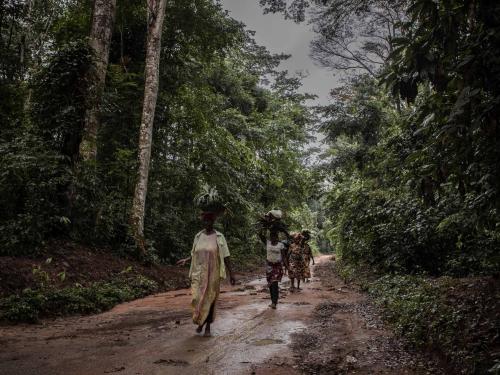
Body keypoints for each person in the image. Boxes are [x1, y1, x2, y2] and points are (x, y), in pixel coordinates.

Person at [177, 211, 236, 337]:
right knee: (197, 298)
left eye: (209, 221)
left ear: (213, 222)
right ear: (203, 222)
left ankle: (207, 326)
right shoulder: (198, 236)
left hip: (213, 274)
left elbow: (226, 256)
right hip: (199, 274)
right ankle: (201, 322)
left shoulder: (219, 237)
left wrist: (232, 274)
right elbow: (194, 253)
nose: (207, 223)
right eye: (205, 221)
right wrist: (186, 260)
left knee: (210, 298)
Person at [259, 228, 289, 309]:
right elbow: (260, 235)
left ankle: (274, 302)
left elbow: (284, 257)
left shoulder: (281, 245)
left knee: (275, 283)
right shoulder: (267, 243)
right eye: (271, 236)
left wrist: (287, 267)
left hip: (277, 266)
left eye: (274, 236)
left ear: (277, 237)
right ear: (270, 237)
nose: (273, 238)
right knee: (270, 284)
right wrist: (263, 227)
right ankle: (273, 300)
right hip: (269, 266)